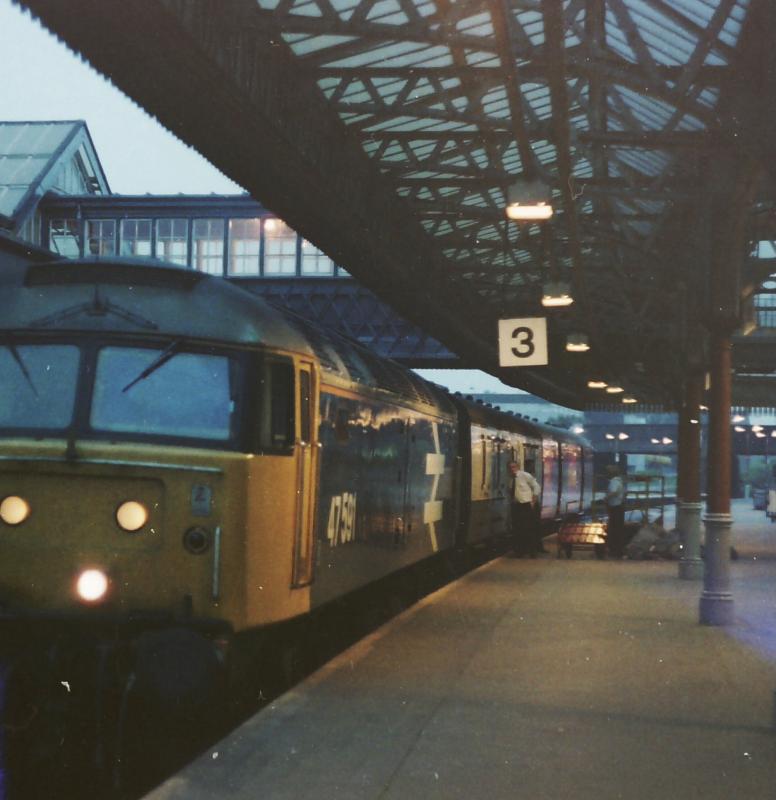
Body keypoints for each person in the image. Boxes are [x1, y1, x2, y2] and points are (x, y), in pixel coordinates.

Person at [508, 460, 541, 557]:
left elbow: (536, 487)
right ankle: (520, 551)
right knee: (518, 529)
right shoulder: (511, 479)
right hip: (516, 506)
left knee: (529, 529)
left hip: (526, 505)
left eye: (514, 467)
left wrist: (533, 500)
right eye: (510, 468)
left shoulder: (525, 475)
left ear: (518, 467)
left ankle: (532, 552)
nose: (512, 469)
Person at [606, 465, 626, 558]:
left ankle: (615, 551)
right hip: (619, 507)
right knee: (618, 529)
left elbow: (614, 492)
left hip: (615, 507)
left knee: (614, 529)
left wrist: (605, 498)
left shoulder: (614, 481)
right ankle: (618, 551)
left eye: (608, 472)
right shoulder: (619, 481)